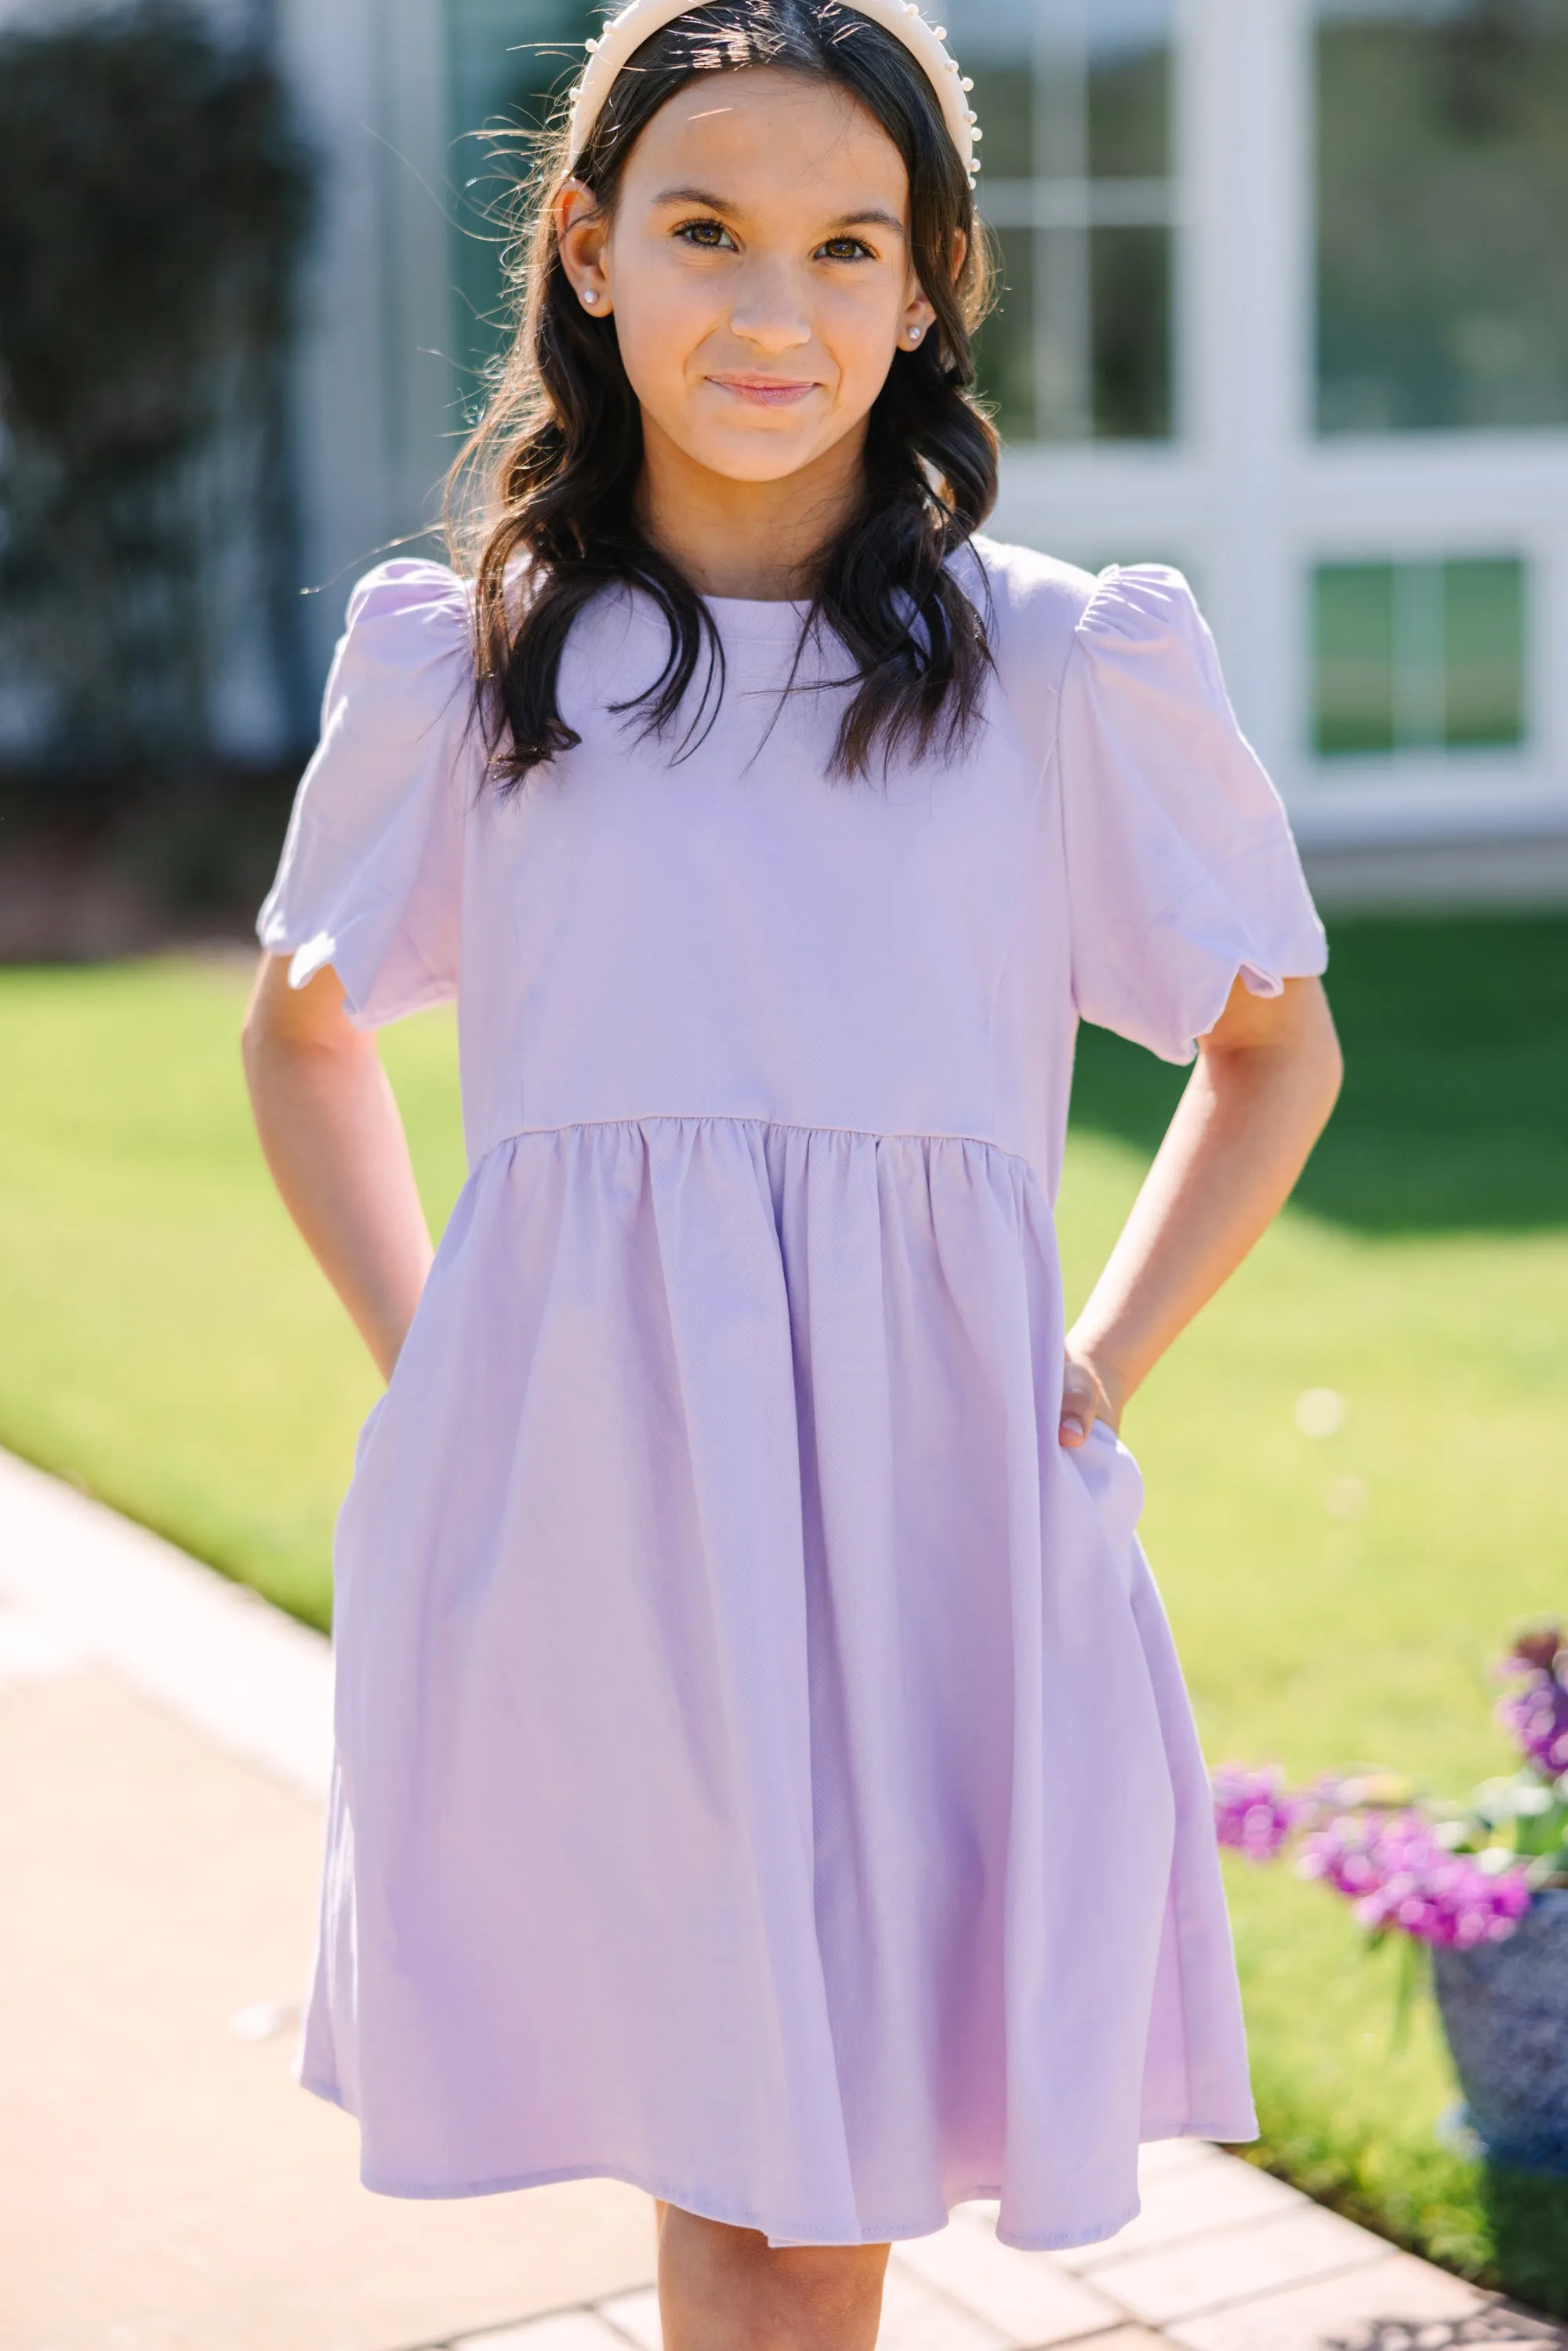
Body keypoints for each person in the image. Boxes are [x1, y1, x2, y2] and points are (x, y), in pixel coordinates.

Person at [242, 2, 1343, 2342]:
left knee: (811, 2171)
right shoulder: (473, 671)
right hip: (594, 1508)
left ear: (932, 286)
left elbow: (1274, 1051)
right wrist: (436, 1358)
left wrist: (1099, 1360)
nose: (775, 310)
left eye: (853, 249)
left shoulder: (1060, 672)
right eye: (710, 233)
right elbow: (305, 1025)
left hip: (928, 1498)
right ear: (591, 249)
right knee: (733, 2144)